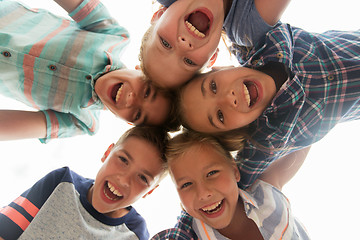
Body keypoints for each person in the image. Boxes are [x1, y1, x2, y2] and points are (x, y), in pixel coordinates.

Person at [176, 22, 360, 189]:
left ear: (220, 68)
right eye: (220, 116)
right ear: (233, 130)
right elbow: (233, 186)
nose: (228, 99)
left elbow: (227, 12)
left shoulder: (257, 40)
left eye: (213, 86)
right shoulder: (266, 139)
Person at [0, 0, 173, 143]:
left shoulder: (81, 122)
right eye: (147, 91)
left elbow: (7, 126)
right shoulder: (113, 35)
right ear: (142, 69)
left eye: (137, 114)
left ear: (128, 122)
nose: (130, 100)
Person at [0, 125, 169, 240]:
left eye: (142, 178)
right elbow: (4, 230)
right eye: (123, 160)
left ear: (150, 191)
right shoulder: (61, 182)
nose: (124, 180)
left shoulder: (136, 234)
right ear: (107, 152)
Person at [151, 130, 310, 240]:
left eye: (212, 173)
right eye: (186, 184)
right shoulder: (188, 235)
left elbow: (308, 136)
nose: (203, 193)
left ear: (234, 171)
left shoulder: (265, 194)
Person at [138, 0, 290, 88]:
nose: (183, 45)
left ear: (159, 15)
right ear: (212, 57)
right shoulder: (247, 28)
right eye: (189, 61)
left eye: (165, 43)